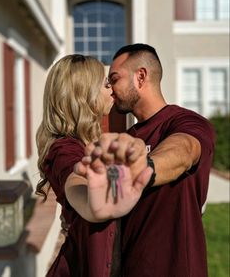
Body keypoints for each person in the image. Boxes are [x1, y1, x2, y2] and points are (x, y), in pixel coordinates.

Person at [79, 44, 216, 277]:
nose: (110, 89)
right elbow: (114, 201)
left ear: (140, 76)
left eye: (115, 78)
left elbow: (184, 151)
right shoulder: (126, 137)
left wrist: (144, 168)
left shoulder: (186, 122)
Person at [35, 54, 151, 277]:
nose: (112, 90)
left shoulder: (85, 142)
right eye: (106, 84)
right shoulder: (63, 149)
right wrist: (93, 204)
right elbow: (75, 182)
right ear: (83, 94)